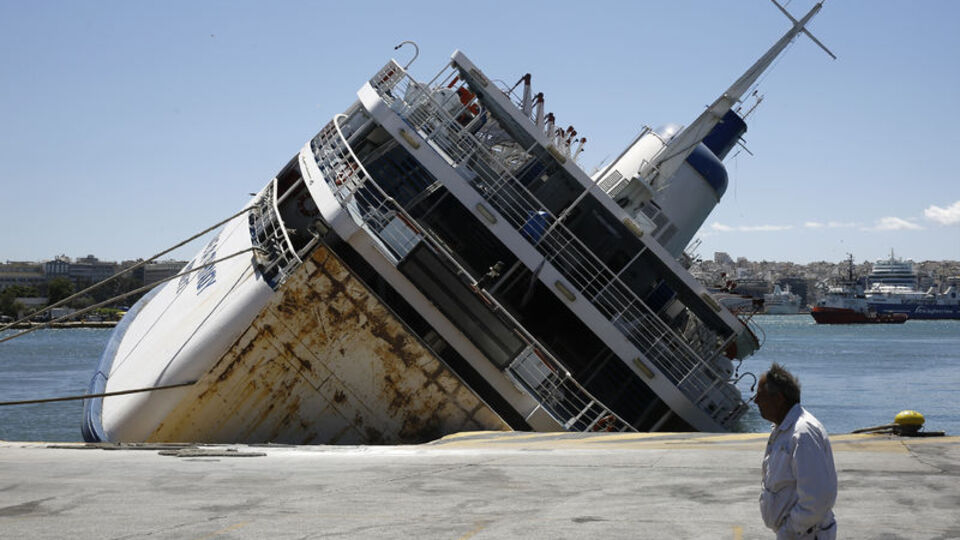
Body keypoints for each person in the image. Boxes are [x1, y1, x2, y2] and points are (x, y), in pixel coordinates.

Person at [753, 363, 838, 539]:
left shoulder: (802, 434)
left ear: (778, 398)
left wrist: (791, 528)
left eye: (760, 395)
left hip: (804, 534)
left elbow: (818, 497)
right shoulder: (783, 430)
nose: (755, 401)